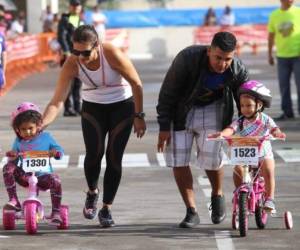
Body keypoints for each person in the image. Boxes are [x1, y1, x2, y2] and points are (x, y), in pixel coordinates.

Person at [43, 25, 146, 227]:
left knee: (114, 157)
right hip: (93, 108)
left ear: (97, 45)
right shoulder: (72, 63)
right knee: (93, 154)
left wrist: (139, 115)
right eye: (75, 51)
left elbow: (136, 84)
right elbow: (57, 101)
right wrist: (42, 123)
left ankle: (107, 208)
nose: (80, 56)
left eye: (85, 52)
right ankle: (92, 192)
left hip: (122, 106)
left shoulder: (112, 54)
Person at [157, 31, 249, 228]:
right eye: (218, 57)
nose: (222, 64)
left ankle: (217, 194)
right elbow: (168, 92)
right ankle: (191, 211)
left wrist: (248, 126)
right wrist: (164, 126)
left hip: (213, 108)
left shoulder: (237, 68)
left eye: (227, 59)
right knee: (179, 159)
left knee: (212, 158)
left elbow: (245, 99)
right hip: (181, 110)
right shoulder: (187, 58)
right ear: (209, 51)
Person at [208, 80, 286, 211]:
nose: (245, 109)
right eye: (242, 106)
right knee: (237, 169)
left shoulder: (265, 119)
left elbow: (274, 128)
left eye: (249, 105)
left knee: (268, 170)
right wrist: (221, 134)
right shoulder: (240, 121)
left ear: (259, 105)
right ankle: (240, 193)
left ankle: (270, 199)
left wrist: (277, 133)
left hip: (263, 153)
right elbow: (231, 129)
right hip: (246, 153)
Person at [3, 102, 64, 224]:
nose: (27, 132)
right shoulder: (19, 141)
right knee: (7, 168)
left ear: (38, 126)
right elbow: (14, 155)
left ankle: (56, 211)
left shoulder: (46, 137)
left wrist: (55, 153)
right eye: (23, 129)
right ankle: (14, 200)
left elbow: (60, 151)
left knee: (56, 180)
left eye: (30, 128)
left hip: (43, 177)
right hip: (25, 176)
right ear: (18, 130)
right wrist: (12, 155)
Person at [268, 0, 300, 121]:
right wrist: (269, 54)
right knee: (284, 86)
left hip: (298, 55)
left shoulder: (298, 12)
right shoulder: (274, 15)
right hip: (282, 57)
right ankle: (287, 112)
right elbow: (271, 35)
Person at [57, 0, 84, 116]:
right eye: (74, 5)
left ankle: (78, 107)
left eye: (78, 5)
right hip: (68, 56)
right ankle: (68, 109)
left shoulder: (79, 19)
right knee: (69, 83)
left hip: (79, 56)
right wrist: (66, 51)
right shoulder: (65, 19)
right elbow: (61, 36)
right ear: (70, 7)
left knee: (78, 83)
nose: (76, 7)